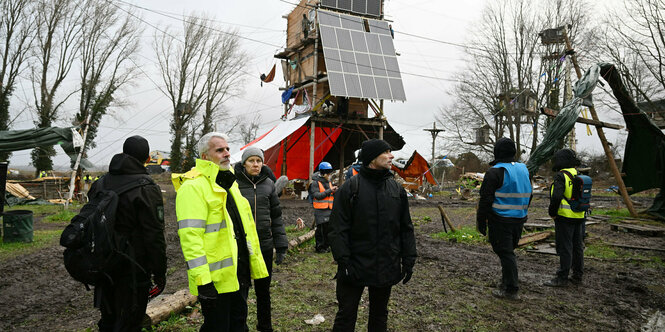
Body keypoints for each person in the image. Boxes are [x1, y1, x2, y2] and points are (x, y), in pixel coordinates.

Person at [173, 132, 268, 332]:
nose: (226, 153)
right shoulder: (193, 187)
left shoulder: (229, 183)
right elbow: (191, 240)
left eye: (227, 149)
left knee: (238, 325)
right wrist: (203, 283)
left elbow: (244, 230)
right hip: (215, 282)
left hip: (238, 275)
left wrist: (254, 264)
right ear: (205, 156)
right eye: (219, 150)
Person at [329, 138, 417, 331]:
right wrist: (344, 261)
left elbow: (405, 227)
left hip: (386, 264)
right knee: (346, 315)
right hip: (354, 265)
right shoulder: (350, 188)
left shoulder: (396, 189)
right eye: (385, 152)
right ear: (371, 158)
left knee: (379, 316)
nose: (391, 155)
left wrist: (409, 259)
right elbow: (337, 228)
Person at [89, 135, 167, 331]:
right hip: (133, 267)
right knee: (130, 322)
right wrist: (159, 272)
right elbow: (154, 234)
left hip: (103, 262)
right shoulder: (146, 187)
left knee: (108, 319)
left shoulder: (100, 182)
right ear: (148, 158)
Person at [234, 147, 288, 332]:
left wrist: (281, 245)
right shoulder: (234, 184)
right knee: (241, 290)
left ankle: (265, 327)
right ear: (244, 163)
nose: (256, 164)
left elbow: (277, 217)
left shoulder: (269, 185)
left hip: (264, 245)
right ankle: (241, 327)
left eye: (259, 160)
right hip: (241, 246)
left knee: (263, 291)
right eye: (251, 161)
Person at [476, 137, 532, 300]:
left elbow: (485, 200)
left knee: (505, 253)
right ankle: (506, 281)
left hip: (500, 220)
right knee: (508, 251)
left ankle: (511, 288)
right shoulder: (523, 169)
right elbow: (530, 194)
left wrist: (481, 222)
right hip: (519, 218)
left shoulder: (495, 172)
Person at [544, 148, 585, 287]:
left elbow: (556, 196)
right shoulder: (577, 173)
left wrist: (552, 212)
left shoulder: (561, 176)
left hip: (565, 216)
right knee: (577, 246)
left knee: (565, 247)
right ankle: (578, 275)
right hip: (579, 215)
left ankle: (562, 277)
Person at [309, 161, 337, 253]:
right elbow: (317, 195)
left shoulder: (328, 182)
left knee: (327, 230)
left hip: (329, 209)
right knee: (320, 231)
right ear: (322, 172)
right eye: (328, 172)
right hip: (320, 211)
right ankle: (319, 247)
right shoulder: (315, 183)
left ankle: (326, 246)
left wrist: (334, 191)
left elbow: (329, 194)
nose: (329, 174)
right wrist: (330, 190)